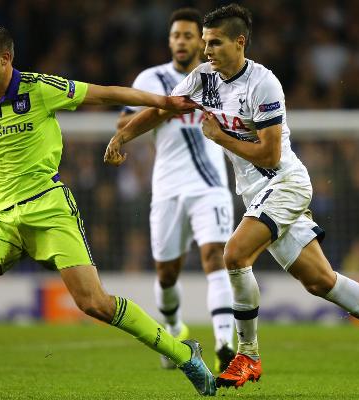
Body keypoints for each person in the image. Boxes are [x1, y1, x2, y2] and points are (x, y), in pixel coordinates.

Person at [105, 3, 359, 390]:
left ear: (239, 42)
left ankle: (248, 355)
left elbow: (270, 154)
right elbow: (167, 108)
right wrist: (123, 134)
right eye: (205, 43)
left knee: (234, 254)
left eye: (214, 43)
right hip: (255, 193)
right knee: (321, 282)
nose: (206, 50)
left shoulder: (263, 83)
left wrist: (219, 136)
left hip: (285, 184)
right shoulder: (204, 77)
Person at [0, 24, 216, 398]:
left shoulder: (39, 88)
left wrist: (164, 102)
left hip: (49, 210)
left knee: (95, 304)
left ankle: (185, 355)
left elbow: (106, 94)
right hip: (4, 218)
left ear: (5, 58)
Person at [116, 8, 235, 373]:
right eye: (175, 36)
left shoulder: (218, 79)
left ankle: (225, 345)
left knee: (216, 256)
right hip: (167, 187)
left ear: (200, 41)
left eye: (188, 35)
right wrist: (168, 106)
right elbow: (123, 120)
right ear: (169, 41)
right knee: (166, 273)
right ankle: (173, 331)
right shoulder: (152, 78)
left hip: (211, 185)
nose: (181, 41)